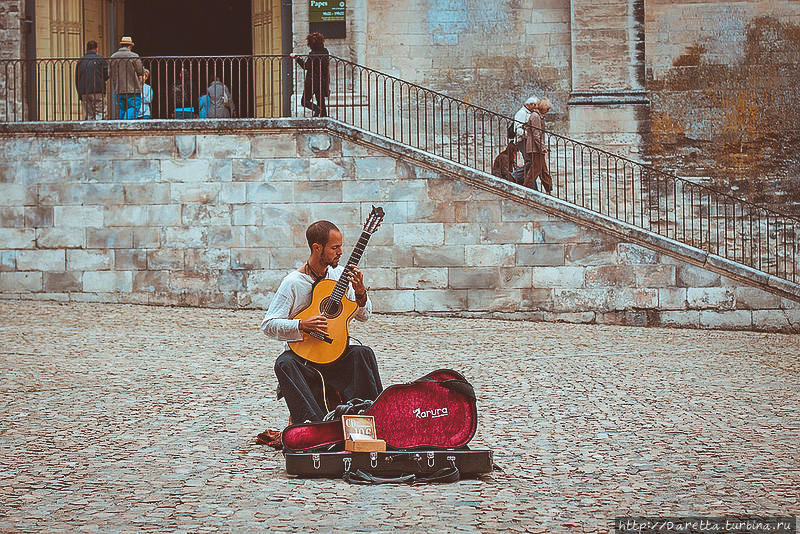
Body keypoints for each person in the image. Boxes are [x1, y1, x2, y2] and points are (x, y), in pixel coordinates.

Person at [260, 220, 383, 424]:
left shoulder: (341, 275)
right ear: (317, 248)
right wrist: (301, 325)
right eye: (335, 247)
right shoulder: (293, 283)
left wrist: (361, 293)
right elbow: (268, 326)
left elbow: (364, 316)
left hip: (336, 353)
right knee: (284, 363)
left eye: (341, 246)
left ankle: (373, 418)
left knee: (363, 353)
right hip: (306, 358)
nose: (340, 252)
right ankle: (313, 425)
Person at [291, 32, 330, 117]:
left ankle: (316, 109)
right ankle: (324, 117)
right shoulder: (325, 52)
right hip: (321, 80)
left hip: (311, 81)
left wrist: (297, 58)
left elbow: (306, 66)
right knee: (321, 101)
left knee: (304, 101)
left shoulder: (312, 54)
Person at [109, 36, 143, 120]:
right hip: (133, 88)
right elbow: (140, 71)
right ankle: (126, 125)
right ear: (130, 46)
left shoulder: (113, 57)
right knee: (134, 107)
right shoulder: (133, 56)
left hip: (119, 88)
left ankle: (121, 127)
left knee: (122, 109)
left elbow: (109, 73)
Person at [524, 97, 552, 193]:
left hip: (536, 148)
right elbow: (536, 134)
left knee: (543, 170)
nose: (547, 111)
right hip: (534, 148)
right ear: (543, 107)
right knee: (535, 169)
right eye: (547, 109)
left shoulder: (537, 116)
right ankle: (527, 188)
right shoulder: (535, 116)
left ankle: (548, 189)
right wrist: (542, 147)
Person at [75, 40, 109, 120]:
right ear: (96, 49)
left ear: (86, 49)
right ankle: (99, 131)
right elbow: (107, 74)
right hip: (98, 90)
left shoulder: (80, 61)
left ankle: (90, 131)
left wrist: (80, 93)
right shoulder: (100, 60)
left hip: (85, 91)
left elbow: (77, 78)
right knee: (100, 114)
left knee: (89, 115)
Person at [513, 96, 539, 177]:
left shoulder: (529, 113)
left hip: (526, 141)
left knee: (531, 163)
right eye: (535, 105)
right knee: (530, 162)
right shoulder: (521, 113)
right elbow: (517, 129)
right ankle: (515, 175)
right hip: (522, 140)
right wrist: (528, 135)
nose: (536, 108)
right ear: (530, 104)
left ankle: (529, 183)